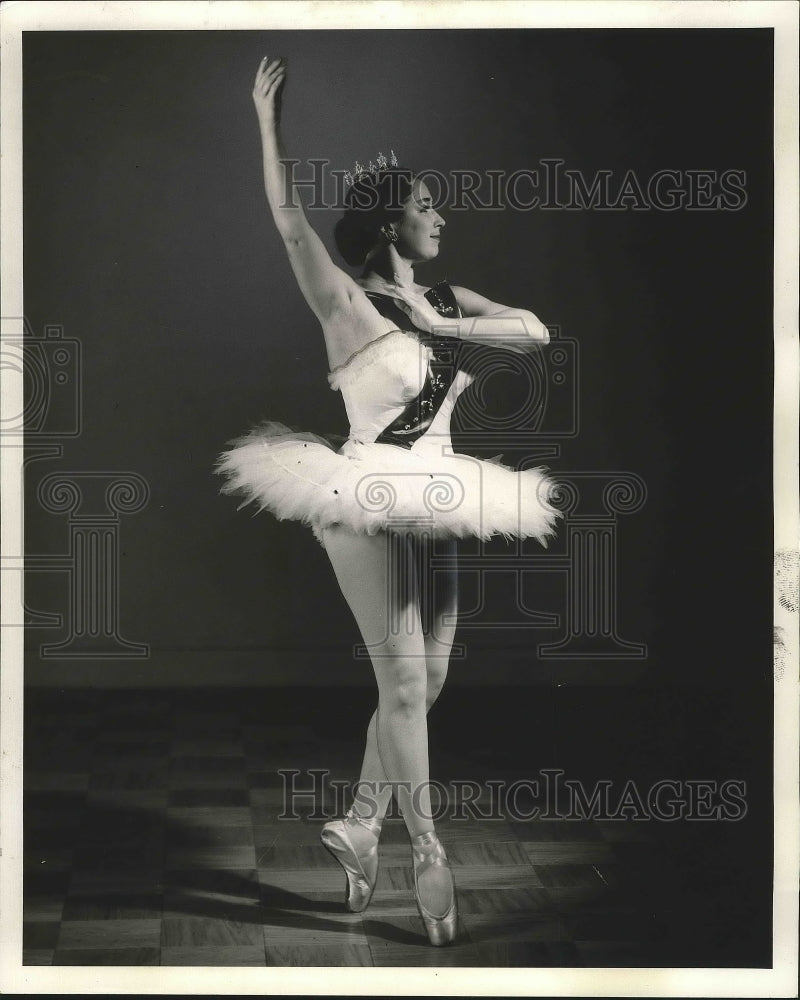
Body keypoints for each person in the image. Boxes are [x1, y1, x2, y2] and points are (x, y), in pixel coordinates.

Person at [216, 55, 560, 947]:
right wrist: (267, 126)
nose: (441, 217)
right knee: (403, 681)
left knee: (430, 678)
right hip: (365, 491)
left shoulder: (445, 299)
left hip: (442, 487)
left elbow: (534, 332)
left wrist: (447, 325)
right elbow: (290, 225)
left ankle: (362, 824)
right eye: (425, 206)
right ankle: (427, 855)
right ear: (387, 222)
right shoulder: (346, 305)